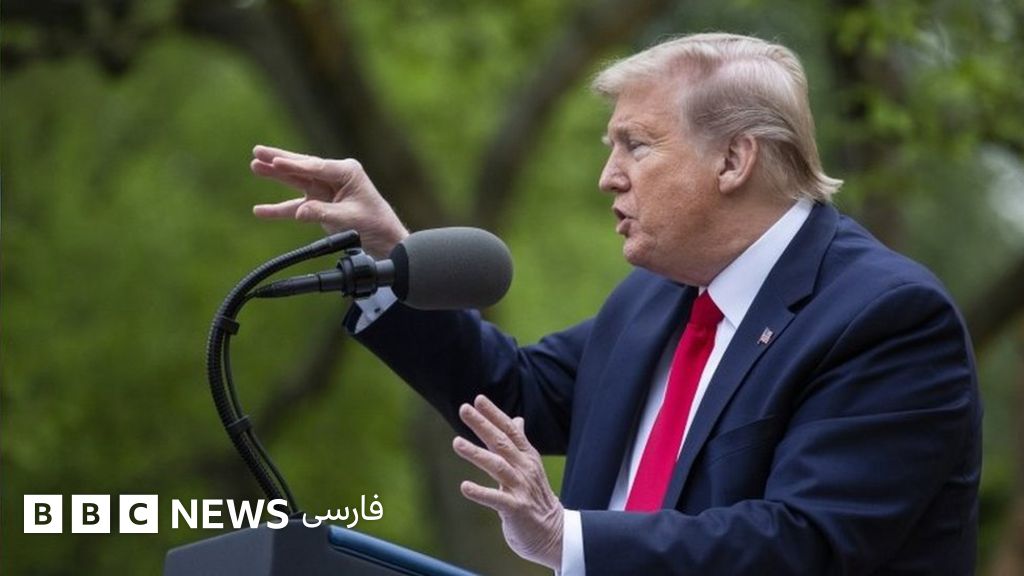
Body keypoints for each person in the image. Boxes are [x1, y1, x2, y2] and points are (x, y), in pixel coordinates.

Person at [249, 33, 981, 575]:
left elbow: (804, 544)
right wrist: (393, 256)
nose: (608, 176)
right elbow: (517, 393)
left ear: (734, 159)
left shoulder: (886, 319)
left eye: (636, 145)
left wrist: (565, 537)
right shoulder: (657, 297)